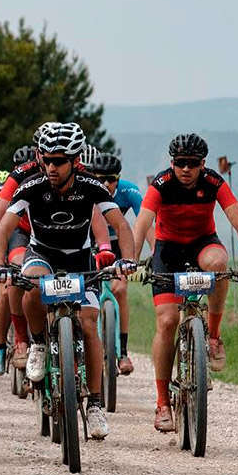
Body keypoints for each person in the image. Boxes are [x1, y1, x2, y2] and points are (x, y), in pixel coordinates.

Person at [0, 123, 136, 440]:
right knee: (29, 285)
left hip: (79, 261)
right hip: (42, 255)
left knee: (88, 323)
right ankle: (39, 344)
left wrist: (126, 259)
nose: (51, 167)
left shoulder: (90, 186)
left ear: (74, 160)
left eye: (59, 161)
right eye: (47, 160)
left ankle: (95, 405)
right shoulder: (31, 186)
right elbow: (3, 228)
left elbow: (120, 226)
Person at [129, 133, 238, 432]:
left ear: (203, 164)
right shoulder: (161, 184)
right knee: (166, 322)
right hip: (168, 251)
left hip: (203, 244)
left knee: (219, 264)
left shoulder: (213, 182)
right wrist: (132, 261)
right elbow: (142, 224)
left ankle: (213, 336)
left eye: (192, 164)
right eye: (179, 163)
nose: (185, 169)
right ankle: (163, 403)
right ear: (171, 163)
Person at [89, 151, 144, 375]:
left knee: (120, 289)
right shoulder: (85, 190)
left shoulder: (128, 190)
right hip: (91, 243)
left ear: (118, 179)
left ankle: (122, 352)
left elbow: (146, 222)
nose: (105, 183)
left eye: (110, 179)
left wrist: (155, 250)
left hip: (118, 244)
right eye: (100, 178)